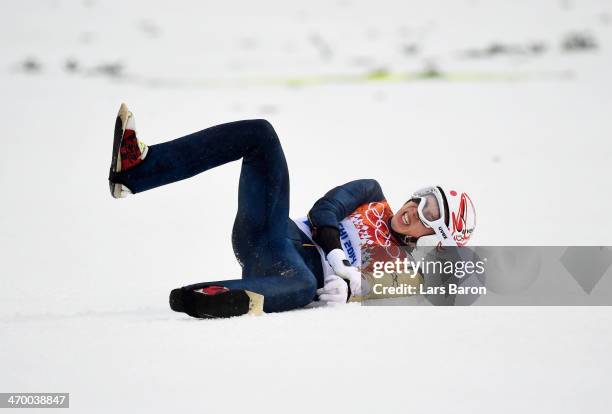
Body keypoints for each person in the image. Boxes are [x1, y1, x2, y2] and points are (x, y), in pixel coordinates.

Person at [108, 103, 477, 318]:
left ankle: (210, 297)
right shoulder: (373, 193)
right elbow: (324, 210)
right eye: (423, 198)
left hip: (286, 274)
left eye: (430, 215)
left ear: (434, 239)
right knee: (261, 134)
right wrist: (336, 258)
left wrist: (351, 292)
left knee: (303, 286)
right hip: (271, 233)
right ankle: (138, 169)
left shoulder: (402, 271)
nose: (415, 209)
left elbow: (418, 290)